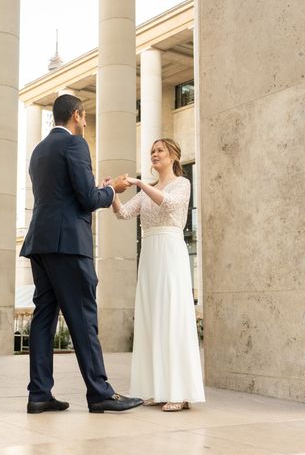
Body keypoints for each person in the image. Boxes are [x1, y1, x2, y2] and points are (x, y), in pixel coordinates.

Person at [20, 94, 144, 414]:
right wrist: (112, 189)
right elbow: (88, 198)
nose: (86, 122)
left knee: (44, 318)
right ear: (76, 115)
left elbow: (60, 195)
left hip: (41, 243)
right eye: (85, 116)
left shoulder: (38, 151)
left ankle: (39, 393)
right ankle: (100, 392)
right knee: (84, 318)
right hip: (69, 244)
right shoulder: (75, 145)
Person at [112, 138, 205, 412]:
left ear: (173, 155)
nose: (154, 154)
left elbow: (169, 204)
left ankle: (179, 391)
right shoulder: (146, 190)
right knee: (151, 317)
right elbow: (124, 214)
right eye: (152, 151)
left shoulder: (182, 184)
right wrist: (113, 194)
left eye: (159, 150)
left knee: (172, 315)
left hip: (170, 251)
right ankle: (154, 388)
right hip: (150, 256)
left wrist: (139, 184)